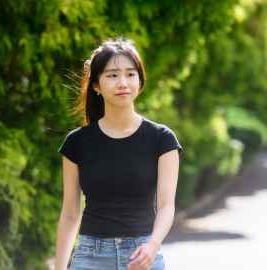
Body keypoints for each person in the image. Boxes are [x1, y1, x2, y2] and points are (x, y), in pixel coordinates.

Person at [54, 37, 182, 270]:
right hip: (89, 257)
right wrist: (61, 267)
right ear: (96, 85)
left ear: (140, 81)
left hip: (142, 256)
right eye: (112, 75)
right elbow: (70, 213)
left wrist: (152, 246)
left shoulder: (162, 139)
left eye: (130, 74)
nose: (122, 82)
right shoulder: (77, 142)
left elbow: (166, 206)